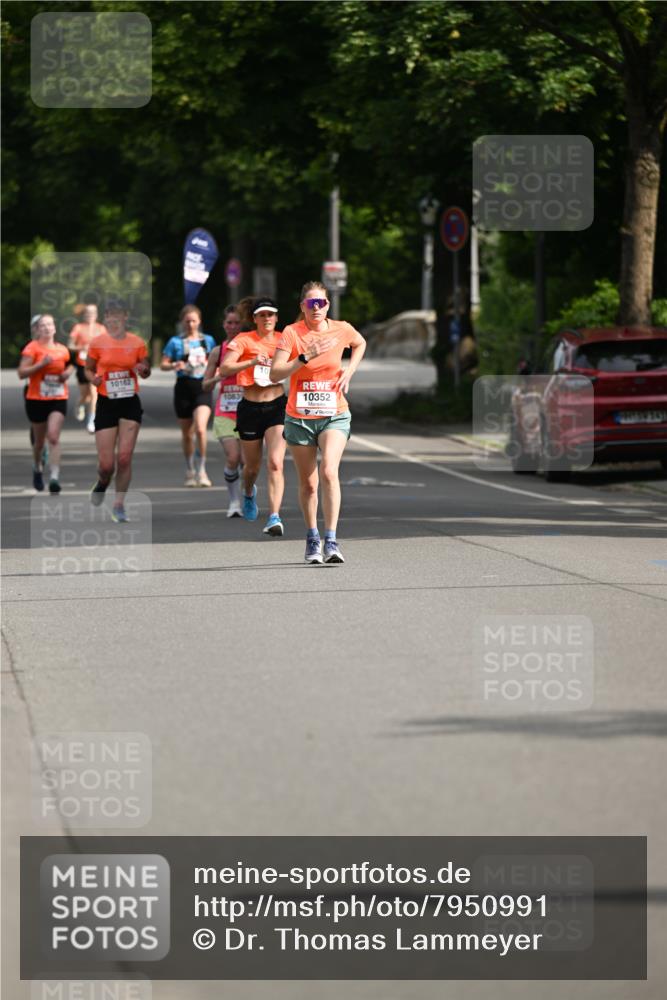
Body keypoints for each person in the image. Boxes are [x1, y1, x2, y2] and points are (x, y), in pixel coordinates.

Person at [270, 281, 366, 564]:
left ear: (328, 305)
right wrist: (303, 357)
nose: (317, 308)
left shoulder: (342, 329)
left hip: (334, 413)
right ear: (302, 306)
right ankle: (312, 538)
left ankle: (332, 540)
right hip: (299, 418)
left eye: (321, 303)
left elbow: (360, 343)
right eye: (311, 304)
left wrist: (350, 370)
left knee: (328, 472)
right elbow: (276, 374)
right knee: (309, 484)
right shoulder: (291, 333)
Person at [217, 297, 286, 534]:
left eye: (271, 314)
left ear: (276, 318)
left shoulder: (284, 339)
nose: (267, 319)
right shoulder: (243, 340)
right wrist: (253, 360)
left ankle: (274, 517)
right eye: (262, 315)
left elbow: (300, 365)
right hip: (250, 407)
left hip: (277, 406)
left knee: (276, 463)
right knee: (251, 468)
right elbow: (225, 368)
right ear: (254, 318)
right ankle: (248, 492)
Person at [85, 301, 151, 523]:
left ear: (125, 318)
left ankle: (119, 505)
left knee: (124, 458)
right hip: (106, 403)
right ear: (105, 318)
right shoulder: (97, 343)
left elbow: (146, 368)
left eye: (118, 316)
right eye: (110, 316)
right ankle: (102, 482)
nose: (114, 320)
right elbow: (88, 368)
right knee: (106, 465)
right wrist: (92, 379)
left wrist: (143, 369)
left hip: (129, 402)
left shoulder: (136, 342)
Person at [18, 313, 74, 493]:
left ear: (55, 328)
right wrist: (41, 365)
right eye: (43, 325)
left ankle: (55, 477)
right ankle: (37, 467)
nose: (47, 328)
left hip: (58, 398)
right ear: (37, 329)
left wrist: (68, 373)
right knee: (39, 443)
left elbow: (71, 364)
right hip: (36, 399)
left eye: (50, 325)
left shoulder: (62, 349)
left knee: (54, 436)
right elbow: (22, 373)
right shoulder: (32, 348)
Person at [161, 305, 216, 487]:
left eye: (193, 320)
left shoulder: (208, 341)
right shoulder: (175, 341)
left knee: (200, 429)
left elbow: (216, 362)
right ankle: (190, 469)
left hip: (202, 387)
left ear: (199, 321)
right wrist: (175, 365)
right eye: (187, 321)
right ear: (182, 322)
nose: (190, 324)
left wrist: (211, 367)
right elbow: (163, 364)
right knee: (187, 434)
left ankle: (202, 470)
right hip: (183, 388)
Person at [202, 305, 243, 517]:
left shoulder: (251, 347)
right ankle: (234, 502)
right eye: (229, 322)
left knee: (248, 463)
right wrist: (220, 375)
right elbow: (205, 385)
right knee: (233, 457)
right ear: (223, 324)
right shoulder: (218, 351)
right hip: (225, 411)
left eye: (237, 323)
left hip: (248, 412)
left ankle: (248, 497)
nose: (233, 326)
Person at [68, 303, 106, 432]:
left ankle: (92, 420)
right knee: (85, 395)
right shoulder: (78, 328)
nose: (90, 315)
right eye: (88, 313)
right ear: (84, 315)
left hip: (96, 366)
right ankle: (79, 404)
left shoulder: (101, 329)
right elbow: (70, 345)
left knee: (94, 392)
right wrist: (81, 348)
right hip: (82, 364)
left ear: (96, 315)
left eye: (93, 313)